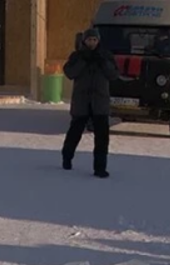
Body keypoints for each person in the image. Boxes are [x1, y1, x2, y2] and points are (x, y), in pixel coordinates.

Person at [62, 28, 118, 178]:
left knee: (102, 138)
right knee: (75, 133)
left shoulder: (106, 55)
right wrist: (82, 61)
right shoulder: (77, 56)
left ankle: (100, 168)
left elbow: (113, 74)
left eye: (94, 40)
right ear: (84, 41)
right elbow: (69, 73)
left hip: (100, 103)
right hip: (82, 102)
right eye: (89, 40)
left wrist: (103, 62)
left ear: (98, 41)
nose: (92, 43)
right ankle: (67, 157)